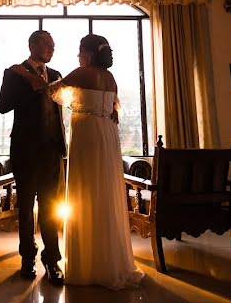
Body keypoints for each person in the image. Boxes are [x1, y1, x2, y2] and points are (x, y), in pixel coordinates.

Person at [9, 33, 144, 289]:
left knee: (85, 192)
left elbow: (47, 89)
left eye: (80, 51)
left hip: (88, 139)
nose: (77, 55)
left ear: (89, 54)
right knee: (103, 194)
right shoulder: (110, 78)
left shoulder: (82, 73)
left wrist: (24, 74)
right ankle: (107, 257)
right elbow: (114, 109)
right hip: (106, 138)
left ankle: (82, 261)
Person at [0, 30, 66, 285]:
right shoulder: (15, 73)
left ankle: (52, 260)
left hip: (52, 151)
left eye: (53, 45)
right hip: (26, 150)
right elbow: (3, 105)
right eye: (47, 44)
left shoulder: (57, 75)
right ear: (33, 45)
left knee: (52, 207)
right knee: (26, 207)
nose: (51, 48)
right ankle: (27, 258)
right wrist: (30, 86)